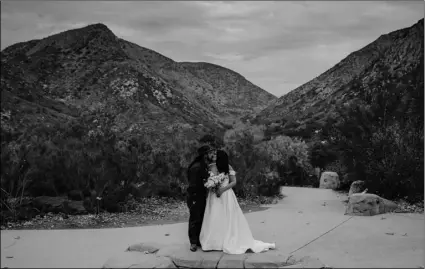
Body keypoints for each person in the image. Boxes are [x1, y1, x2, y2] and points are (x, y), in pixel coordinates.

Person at [200, 149, 276, 254]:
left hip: (226, 195)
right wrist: (212, 187)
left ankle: (225, 240)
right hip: (214, 196)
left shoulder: (228, 167)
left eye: (216, 155)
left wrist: (222, 189)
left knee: (228, 216)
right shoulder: (211, 167)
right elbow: (208, 180)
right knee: (214, 216)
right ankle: (213, 242)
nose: (214, 156)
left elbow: (234, 182)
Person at [186, 144, 217, 252]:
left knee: (201, 218)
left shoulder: (203, 165)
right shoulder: (196, 167)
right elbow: (193, 185)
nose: (211, 154)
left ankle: (199, 240)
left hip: (201, 196)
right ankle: (193, 243)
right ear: (205, 155)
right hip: (195, 196)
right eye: (209, 153)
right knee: (195, 218)